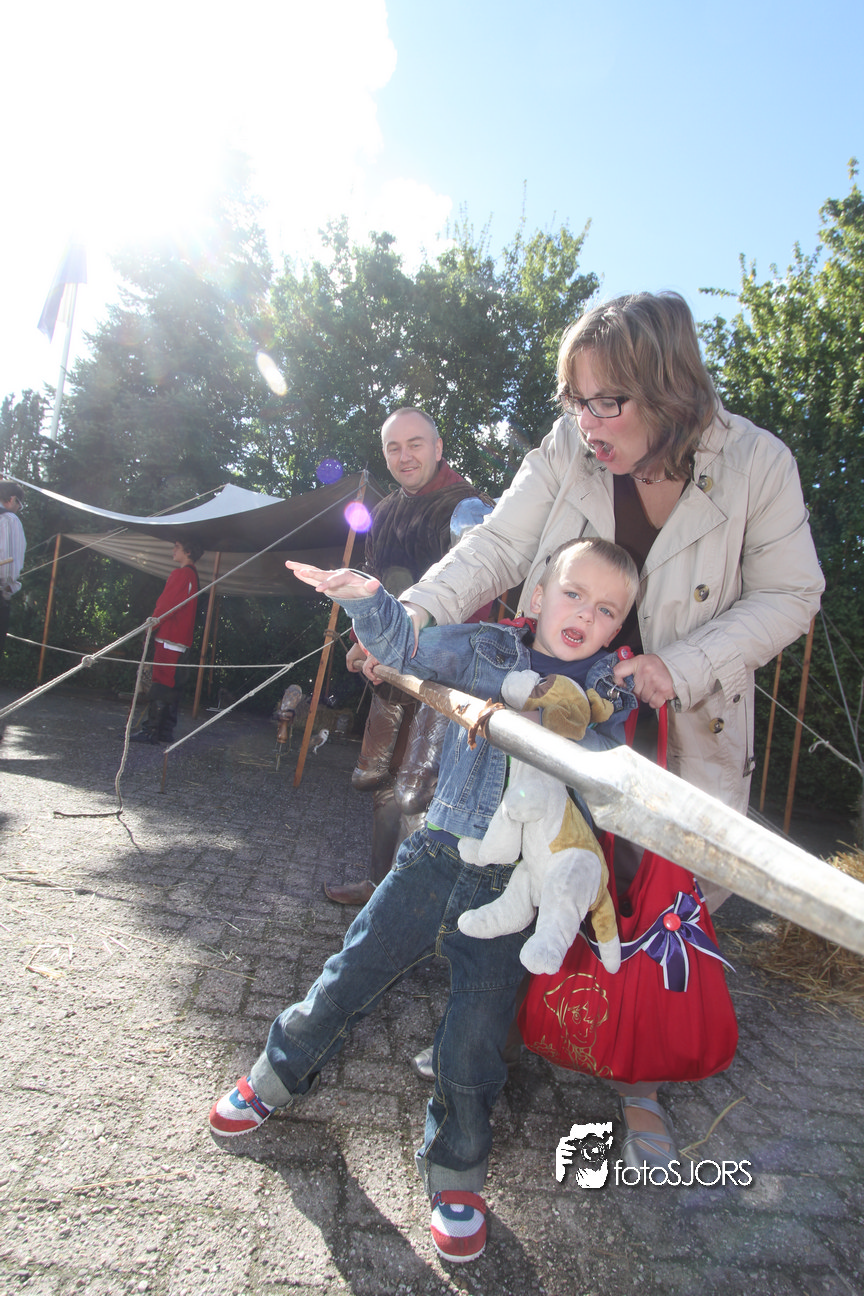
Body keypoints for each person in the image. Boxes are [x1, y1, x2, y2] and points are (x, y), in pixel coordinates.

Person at [396, 291, 825, 1171]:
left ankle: (640, 1077)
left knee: (648, 892)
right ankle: (487, 1031)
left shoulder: (759, 463)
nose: (586, 422)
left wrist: (683, 663)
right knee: (524, 863)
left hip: (676, 725)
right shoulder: (567, 447)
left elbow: (792, 593)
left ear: (670, 389)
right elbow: (496, 548)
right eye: (575, 399)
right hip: (557, 711)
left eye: (608, 402)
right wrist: (411, 616)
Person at [210, 538, 639, 1264]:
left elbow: (607, 779)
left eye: (606, 610)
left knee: (475, 1039)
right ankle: (275, 1074)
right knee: (351, 972)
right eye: (573, 594)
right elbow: (405, 649)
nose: (584, 615)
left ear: (618, 628)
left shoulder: (605, 696)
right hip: (437, 854)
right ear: (538, 597)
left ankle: (457, 1170)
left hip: (514, 887)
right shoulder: (486, 648)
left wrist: (581, 727)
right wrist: (367, 600)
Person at [324, 407, 491, 907]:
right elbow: (376, 586)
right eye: (393, 448)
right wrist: (365, 640)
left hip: (447, 674)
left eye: (415, 444)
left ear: (438, 447)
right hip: (390, 669)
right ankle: (378, 889)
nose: (405, 456)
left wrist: (424, 652)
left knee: (423, 788)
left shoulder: (469, 508)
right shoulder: (387, 511)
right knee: (382, 777)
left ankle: (408, 906)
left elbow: (478, 602)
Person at [131, 536, 203, 744]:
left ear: (188, 551)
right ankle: (165, 731)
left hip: (170, 636)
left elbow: (166, 605)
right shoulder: (193, 576)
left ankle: (152, 731)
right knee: (173, 684)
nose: (173, 550)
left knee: (162, 682)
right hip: (181, 639)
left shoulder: (181, 574)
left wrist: (151, 627)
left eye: (177, 547)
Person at [0, 481, 26, 665]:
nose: (18, 509)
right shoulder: (8, 519)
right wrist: (8, 589)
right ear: (12, 499)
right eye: (19, 504)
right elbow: (9, 565)